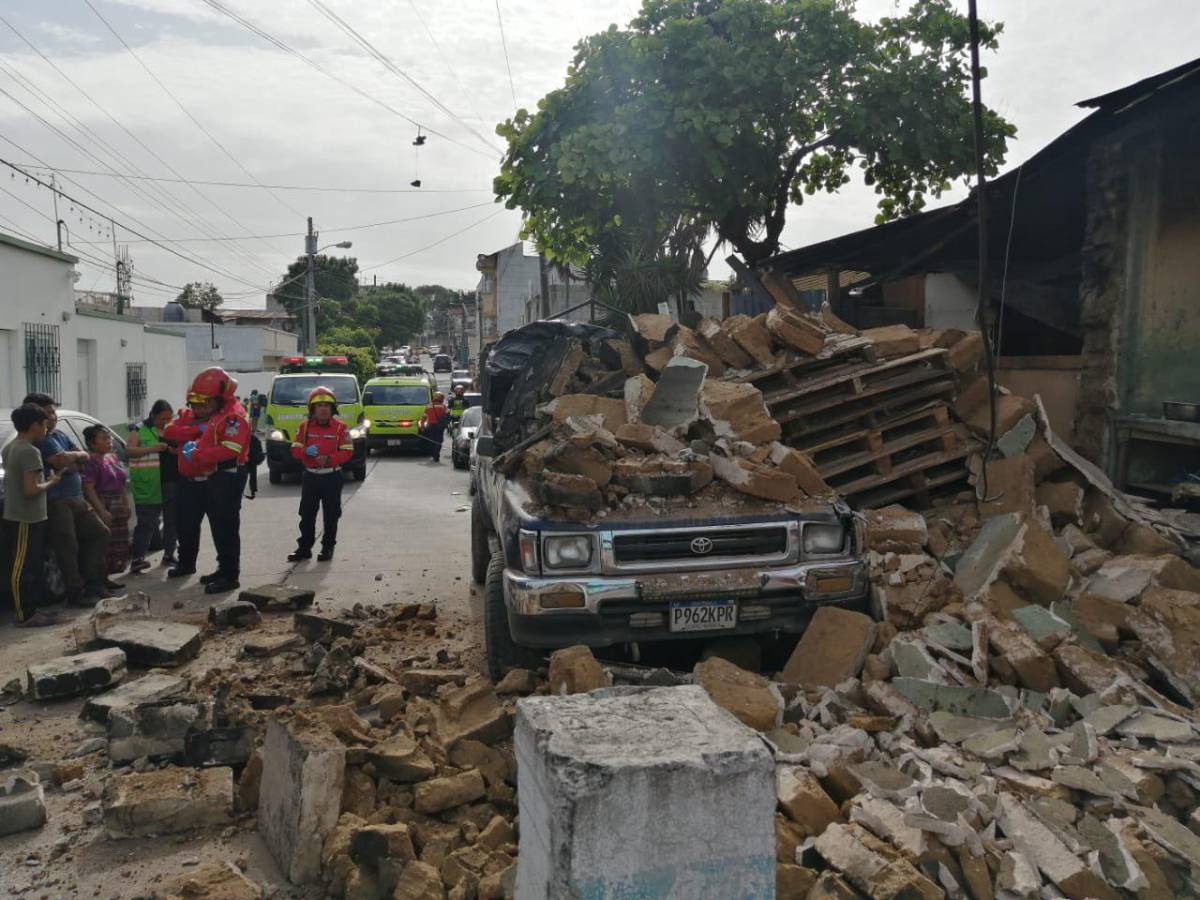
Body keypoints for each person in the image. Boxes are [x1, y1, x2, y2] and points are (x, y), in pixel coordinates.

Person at [165, 367, 251, 595]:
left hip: (224, 477)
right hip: (192, 478)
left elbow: (230, 449)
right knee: (186, 522)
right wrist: (195, 431)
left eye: (203, 404)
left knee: (224, 528)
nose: (197, 408)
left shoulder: (233, 417)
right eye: (194, 403)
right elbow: (170, 431)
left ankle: (229, 574)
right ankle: (189, 563)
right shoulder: (200, 415)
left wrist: (199, 454)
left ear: (220, 399)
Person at [25, 393, 112, 605]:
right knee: (67, 547)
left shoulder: (60, 435)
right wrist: (73, 460)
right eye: (48, 413)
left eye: (53, 411)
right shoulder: (41, 441)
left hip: (77, 497)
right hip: (57, 501)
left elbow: (83, 456)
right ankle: (75, 593)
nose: (53, 416)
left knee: (99, 533)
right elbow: (60, 462)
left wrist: (72, 459)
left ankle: (94, 582)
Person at [2, 404, 62, 626]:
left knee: (30, 565)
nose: (46, 429)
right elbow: (30, 489)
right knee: (22, 567)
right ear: (35, 425)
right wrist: (51, 482)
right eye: (44, 425)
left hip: (20, 514)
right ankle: (24, 614)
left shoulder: (10, 448)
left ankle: (32, 610)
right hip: (26, 516)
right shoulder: (30, 451)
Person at [287, 386, 353, 563]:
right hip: (311, 476)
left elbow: (347, 452)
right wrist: (305, 452)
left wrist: (330, 459)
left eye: (327, 405)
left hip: (332, 476)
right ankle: (304, 548)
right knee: (306, 514)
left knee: (331, 515)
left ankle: (327, 547)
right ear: (312, 409)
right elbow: (294, 449)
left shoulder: (341, 428)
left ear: (332, 408)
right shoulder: (305, 427)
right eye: (319, 405)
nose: (323, 409)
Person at [127, 400, 174, 572]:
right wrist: (152, 448)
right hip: (148, 484)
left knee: (171, 521)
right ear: (153, 415)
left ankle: (169, 555)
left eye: (169, 418)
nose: (166, 422)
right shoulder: (139, 429)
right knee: (146, 523)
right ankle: (138, 559)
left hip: (170, 481)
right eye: (162, 418)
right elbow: (129, 451)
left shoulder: (172, 429)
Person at [82, 425, 131, 575]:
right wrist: (101, 511)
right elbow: (89, 488)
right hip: (103, 502)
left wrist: (125, 503)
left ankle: (111, 575)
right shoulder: (91, 461)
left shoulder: (112, 457)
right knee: (105, 544)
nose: (109, 441)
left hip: (118, 504)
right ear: (92, 443)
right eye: (104, 439)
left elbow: (121, 483)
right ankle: (102, 578)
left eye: (109, 438)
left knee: (120, 543)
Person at [419, 391, 450, 463]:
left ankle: (433, 454)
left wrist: (422, 425)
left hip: (430, 426)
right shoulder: (443, 406)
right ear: (441, 398)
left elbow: (424, 417)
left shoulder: (428, 406)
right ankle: (436, 455)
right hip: (440, 426)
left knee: (432, 441)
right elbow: (448, 416)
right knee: (439, 441)